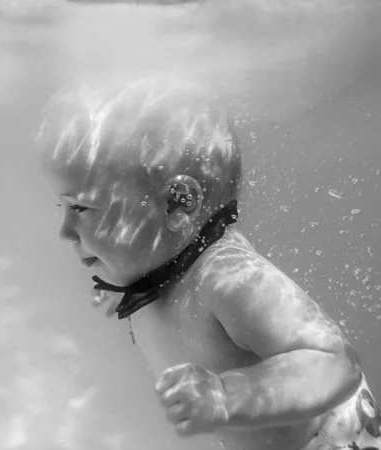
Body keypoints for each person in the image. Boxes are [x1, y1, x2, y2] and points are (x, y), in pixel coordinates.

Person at [36, 77, 381, 450]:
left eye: (80, 208)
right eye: (61, 207)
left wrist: (226, 395)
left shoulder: (227, 281)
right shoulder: (154, 272)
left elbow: (335, 363)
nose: (65, 232)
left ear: (178, 203)